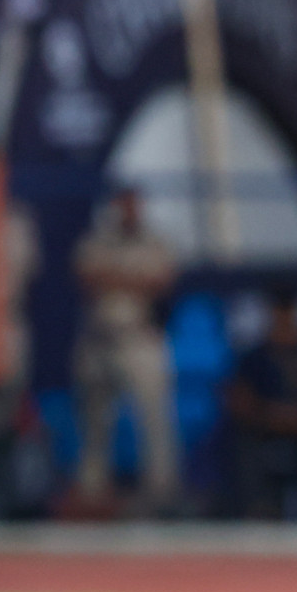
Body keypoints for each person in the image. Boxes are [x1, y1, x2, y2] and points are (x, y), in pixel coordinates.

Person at [72, 188, 179, 511]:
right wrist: (133, 278)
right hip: (101, 337)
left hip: (139, 335)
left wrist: (116, 277)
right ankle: (93, 495)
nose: (129, 212)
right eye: (124, 205)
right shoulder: (97, 241)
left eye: (135, 206)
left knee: (154, 420)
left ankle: (161, 497)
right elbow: (88, 276)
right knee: (95, 420)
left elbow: (162, 281)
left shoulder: (156, 242)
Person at [226, 289, 297, 519]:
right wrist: (273, 416)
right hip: (264, 429)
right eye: (280, 320)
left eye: (290, 319)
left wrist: (296, 419)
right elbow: (241, 404)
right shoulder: (255, 357)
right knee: (242, 442)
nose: (285, 326)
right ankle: (257, 509)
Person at [0, 201, 39, 517]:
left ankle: (4, 499)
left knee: (5, 413)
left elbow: (22, 274)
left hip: (5, 327)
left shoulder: (15, 221)